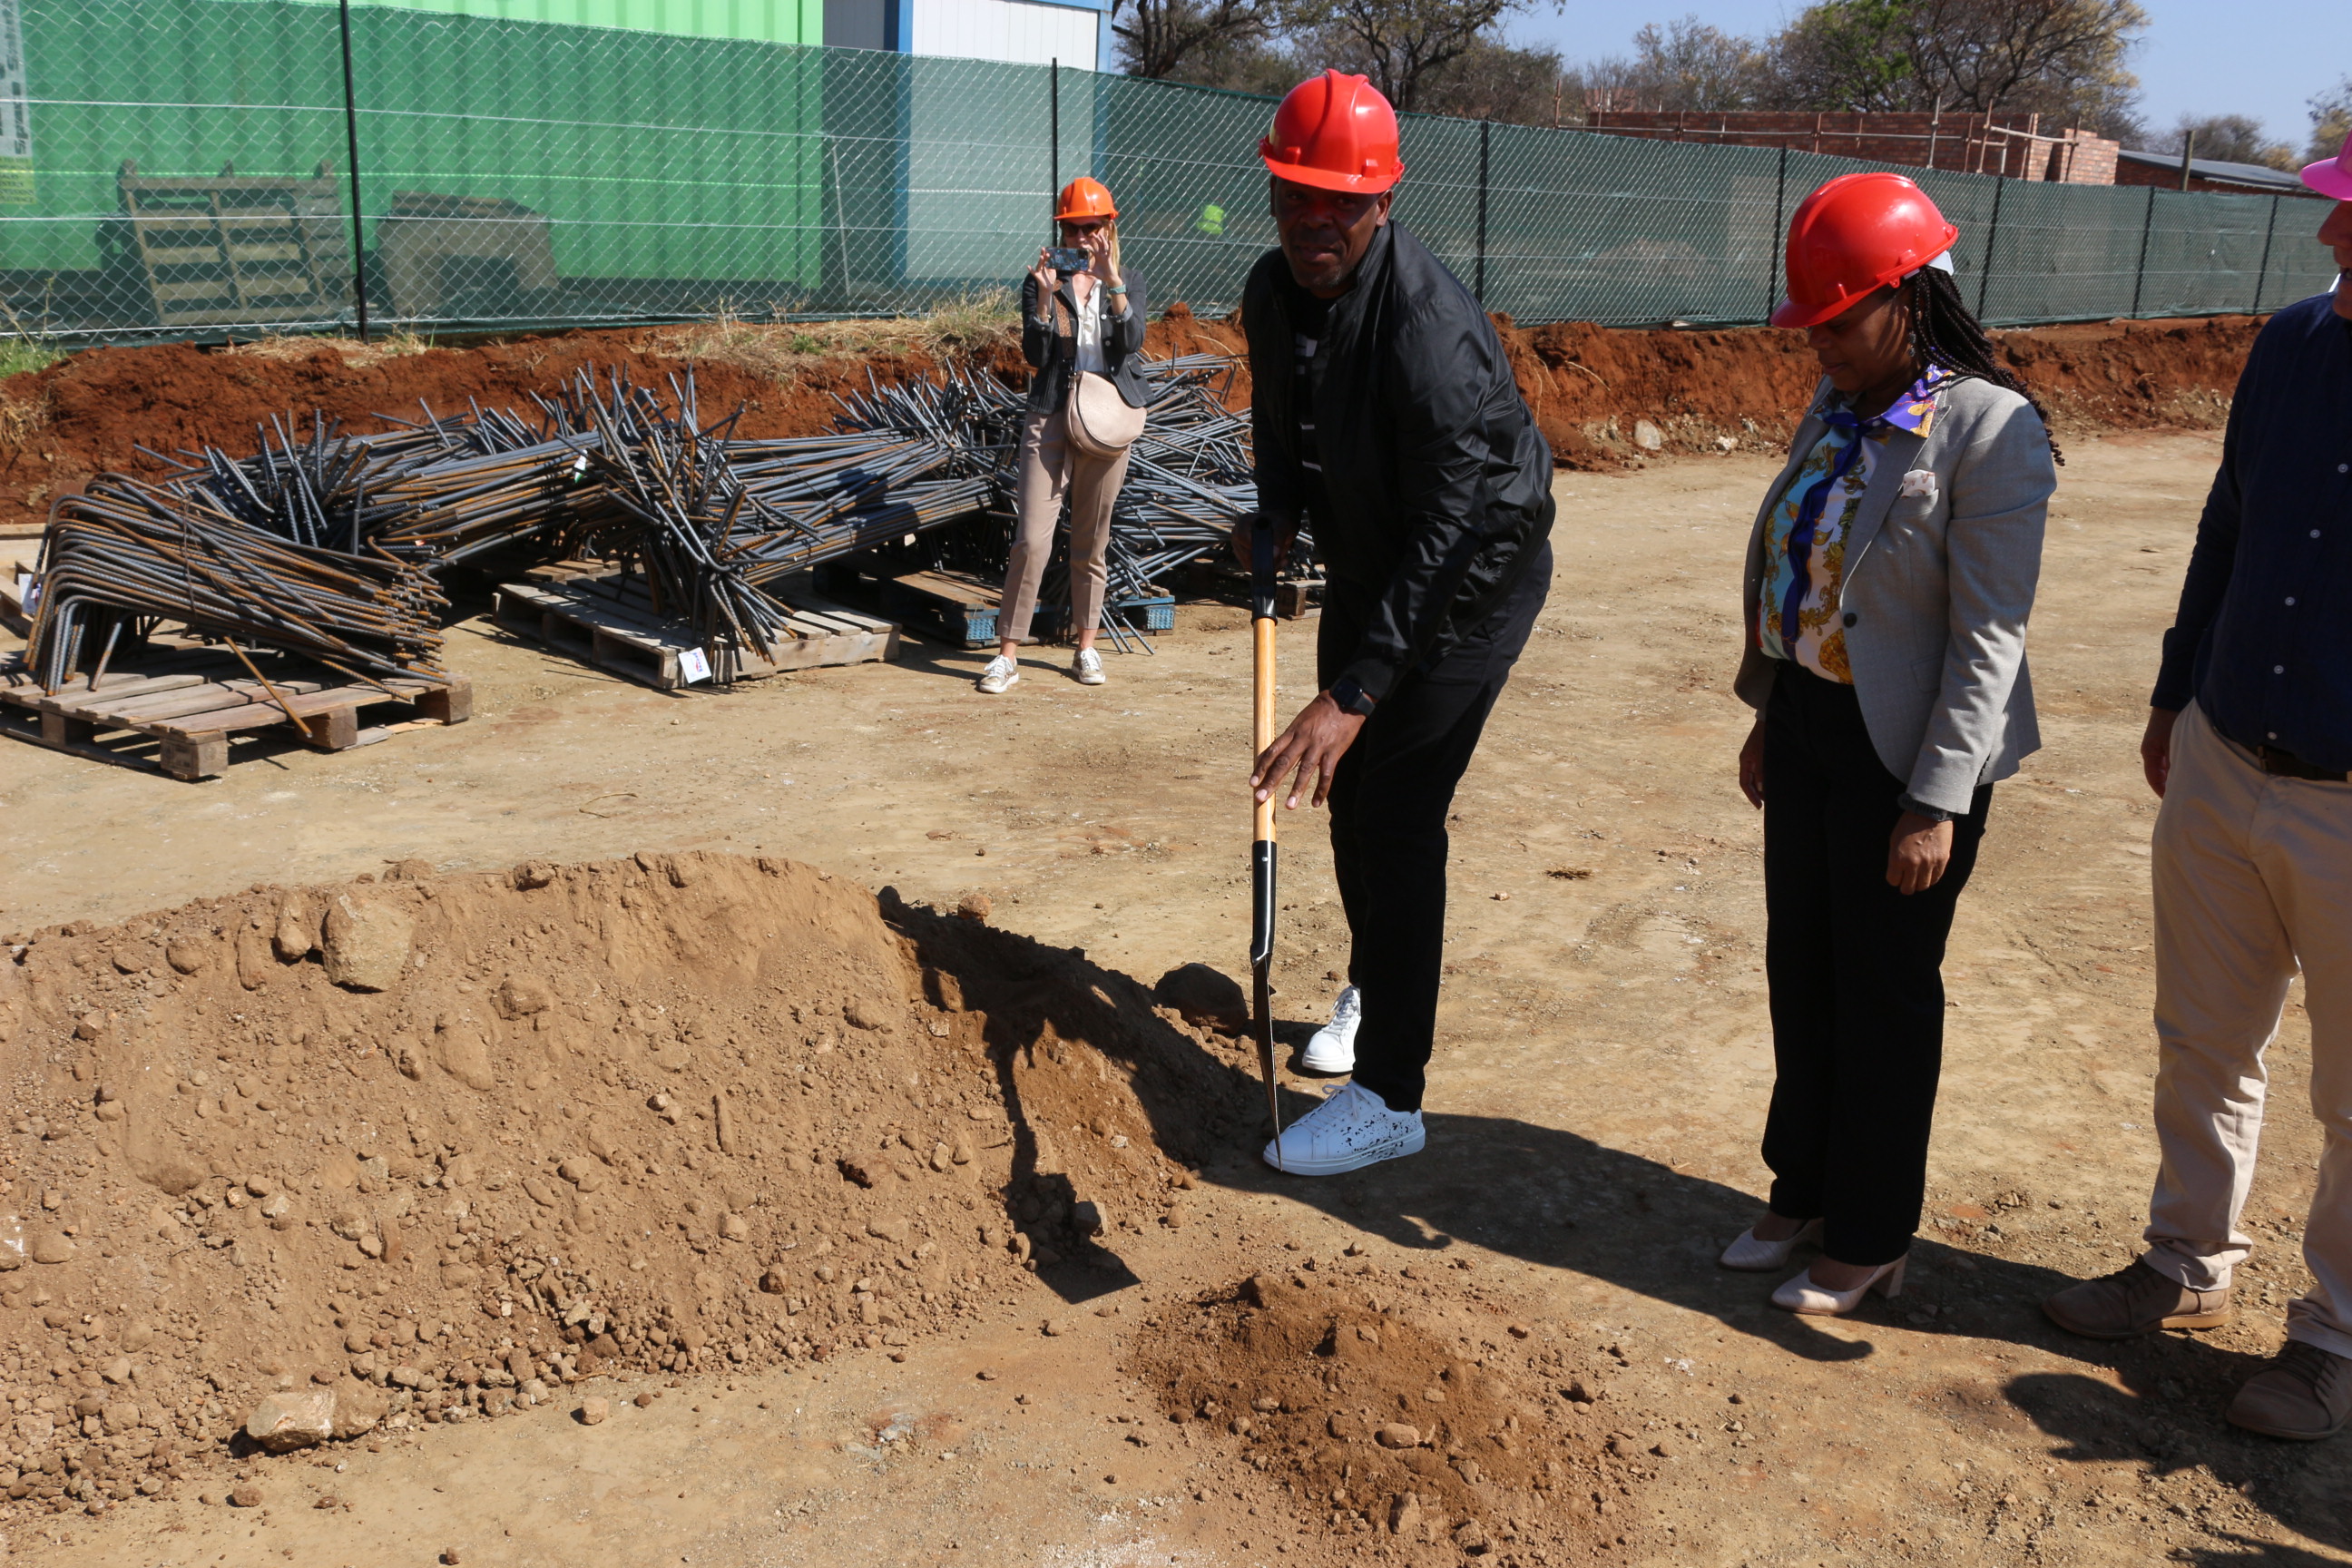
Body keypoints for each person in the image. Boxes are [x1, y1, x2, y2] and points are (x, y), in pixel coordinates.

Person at [2040, 144, 2352, 1442]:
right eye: (2341, 211)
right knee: (2205, 1037)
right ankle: (2186, 1264)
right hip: (2229, 751)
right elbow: (2230, 525)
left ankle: (2333, 1340)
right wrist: (2176, 693)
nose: (2332, 238)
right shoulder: (2292, 345)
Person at [1722, 172, 2058, 1315]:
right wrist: (1772, 709)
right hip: (1811, 724)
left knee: (1881, 991)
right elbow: (1802, 569)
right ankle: (1803, 1187)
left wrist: (1937, 801)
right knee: (1801, 965)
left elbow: (1990, 636)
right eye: (1810, 322)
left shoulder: (1991, 429)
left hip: (1907, 757)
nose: (1819, 343)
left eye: (1840, 319)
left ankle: (1870, 1233)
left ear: (1909, 299)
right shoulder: (1838, 401)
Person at [1235, 70, 1555, 1176]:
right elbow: (1281, 421)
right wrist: (1277, 513)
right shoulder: (1273, 291)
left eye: (1339, 203)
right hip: (1380, 565)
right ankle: (1376, 982)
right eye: (1295, 197)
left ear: (1382, 202)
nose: (1312, 222)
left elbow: (1454, 528)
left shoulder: (1427, 327)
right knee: (1348, 799)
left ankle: (1390, 1100)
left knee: (1399, 812)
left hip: (1472, 582)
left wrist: (1357, 692)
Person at [977, 176, 1149, 695]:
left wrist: (1112, 282)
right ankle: (1007, 654)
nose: (1081, 238)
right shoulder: (1043, 281)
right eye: (1071, 229)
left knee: (1091, 541)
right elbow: (1037, 355)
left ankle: (1086, 646)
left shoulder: (1128, 278)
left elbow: (1132, 341)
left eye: (1090, 227)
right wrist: (1047, 301)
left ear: (1109, 228)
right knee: (1031, 539)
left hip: (1107, 415)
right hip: (1052, 411)